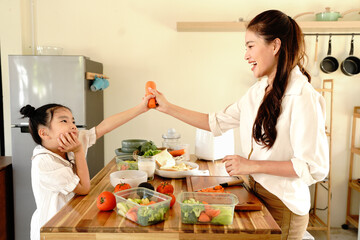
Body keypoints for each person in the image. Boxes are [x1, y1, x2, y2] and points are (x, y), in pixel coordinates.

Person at [149, 10, 329, 240]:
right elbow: (214, 122)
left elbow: (312, 167)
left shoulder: (303, 96)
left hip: (283, 206)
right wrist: (167, 107)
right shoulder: (257, 92)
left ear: (275, 46)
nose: (246, 55)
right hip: (256, 194)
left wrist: (250, 165)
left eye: (250, 46)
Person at [20, 97, 152, 240]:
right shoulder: (44, 161)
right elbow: (84, 188)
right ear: (44, 133)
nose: (73, 126)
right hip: (54, 229)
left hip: (73, 219)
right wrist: (78, 151)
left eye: (73, 121)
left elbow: (104, 126)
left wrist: (141, 108)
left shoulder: (70, 143)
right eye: (64, 121)